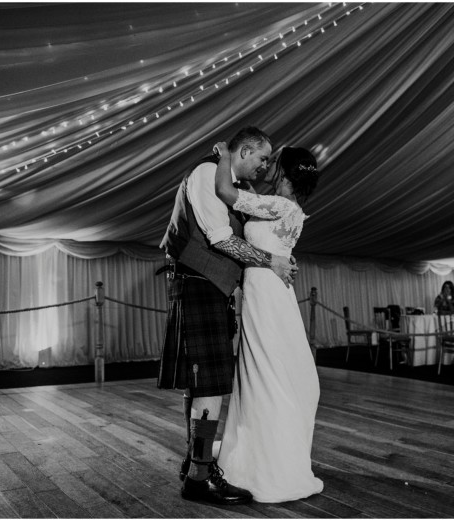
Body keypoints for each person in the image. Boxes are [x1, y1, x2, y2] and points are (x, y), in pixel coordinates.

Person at [157, 126, 298, 505]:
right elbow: (219, 238)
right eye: (262, 158)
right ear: (246, 150)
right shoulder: (205, 174)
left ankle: (195, 464)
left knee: (203, 383)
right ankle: (200, 478)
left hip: (211, 287)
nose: (265, 167)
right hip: (198, 283)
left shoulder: (236, 186)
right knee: (209, 385)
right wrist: (272, 262)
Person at [212, 141, 324, 503]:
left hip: (266, 292)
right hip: (270, 289)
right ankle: (266, 448)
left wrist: (225, 155)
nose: (267, 168)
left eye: (272, 163)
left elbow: (224, 191)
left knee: (264, 367)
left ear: (284, 172)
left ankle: (265, 457)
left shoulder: (279, 205)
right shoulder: (291, 209)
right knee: (267, 366)